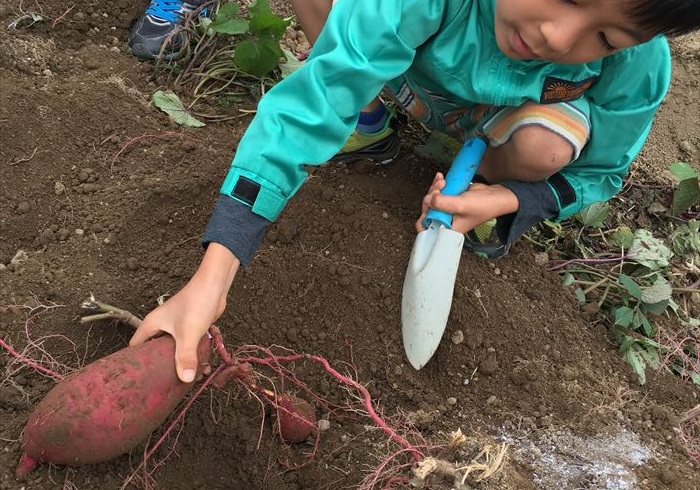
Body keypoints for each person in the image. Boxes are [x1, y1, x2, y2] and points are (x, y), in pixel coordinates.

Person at [128, 0, 700, 382]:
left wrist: (507, 200)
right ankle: (369, 113)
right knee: (351, 53)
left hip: (518, 119)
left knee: (544, 151)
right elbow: (307, 109)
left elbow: (600, 172)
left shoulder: (638, 65)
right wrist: (214, 274)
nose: (557, 35)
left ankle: (477, 184)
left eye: (603, 35)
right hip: (410, 73)